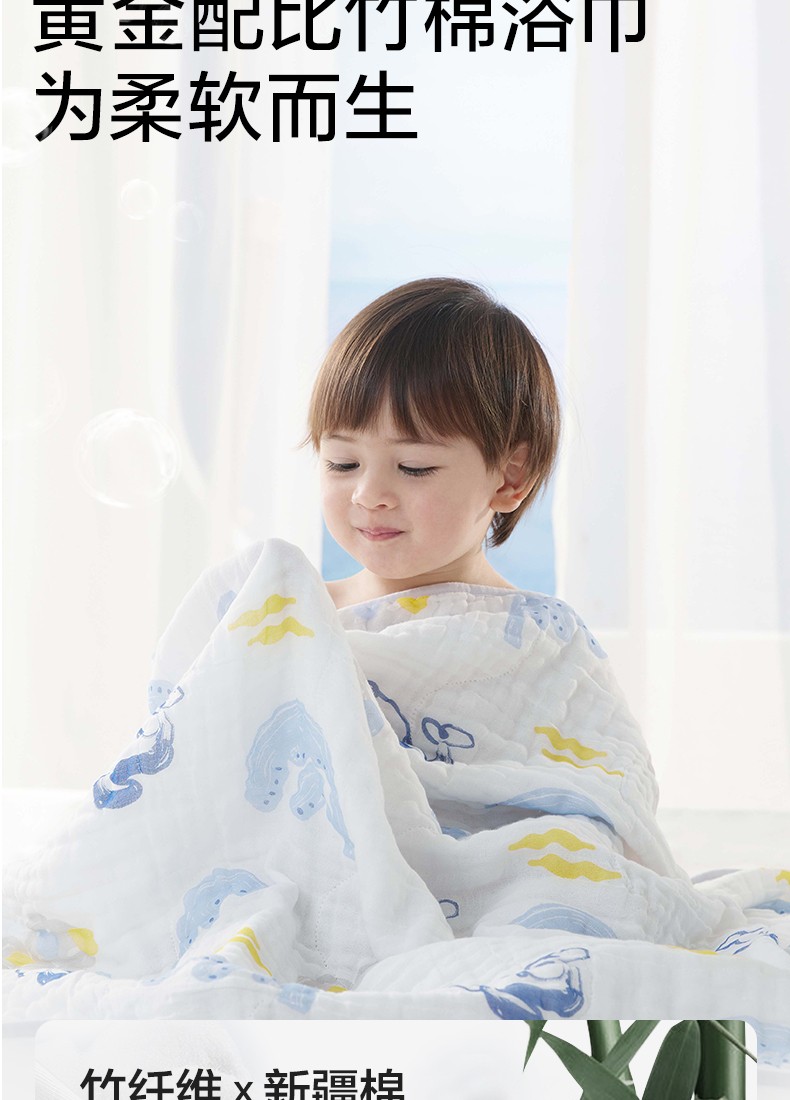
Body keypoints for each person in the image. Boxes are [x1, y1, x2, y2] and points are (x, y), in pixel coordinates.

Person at [305, 276, 561, 608]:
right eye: (344, 464)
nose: (367, 495)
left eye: (413, 468)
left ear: (510, 477)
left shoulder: (538, 633)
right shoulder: (288, 614)